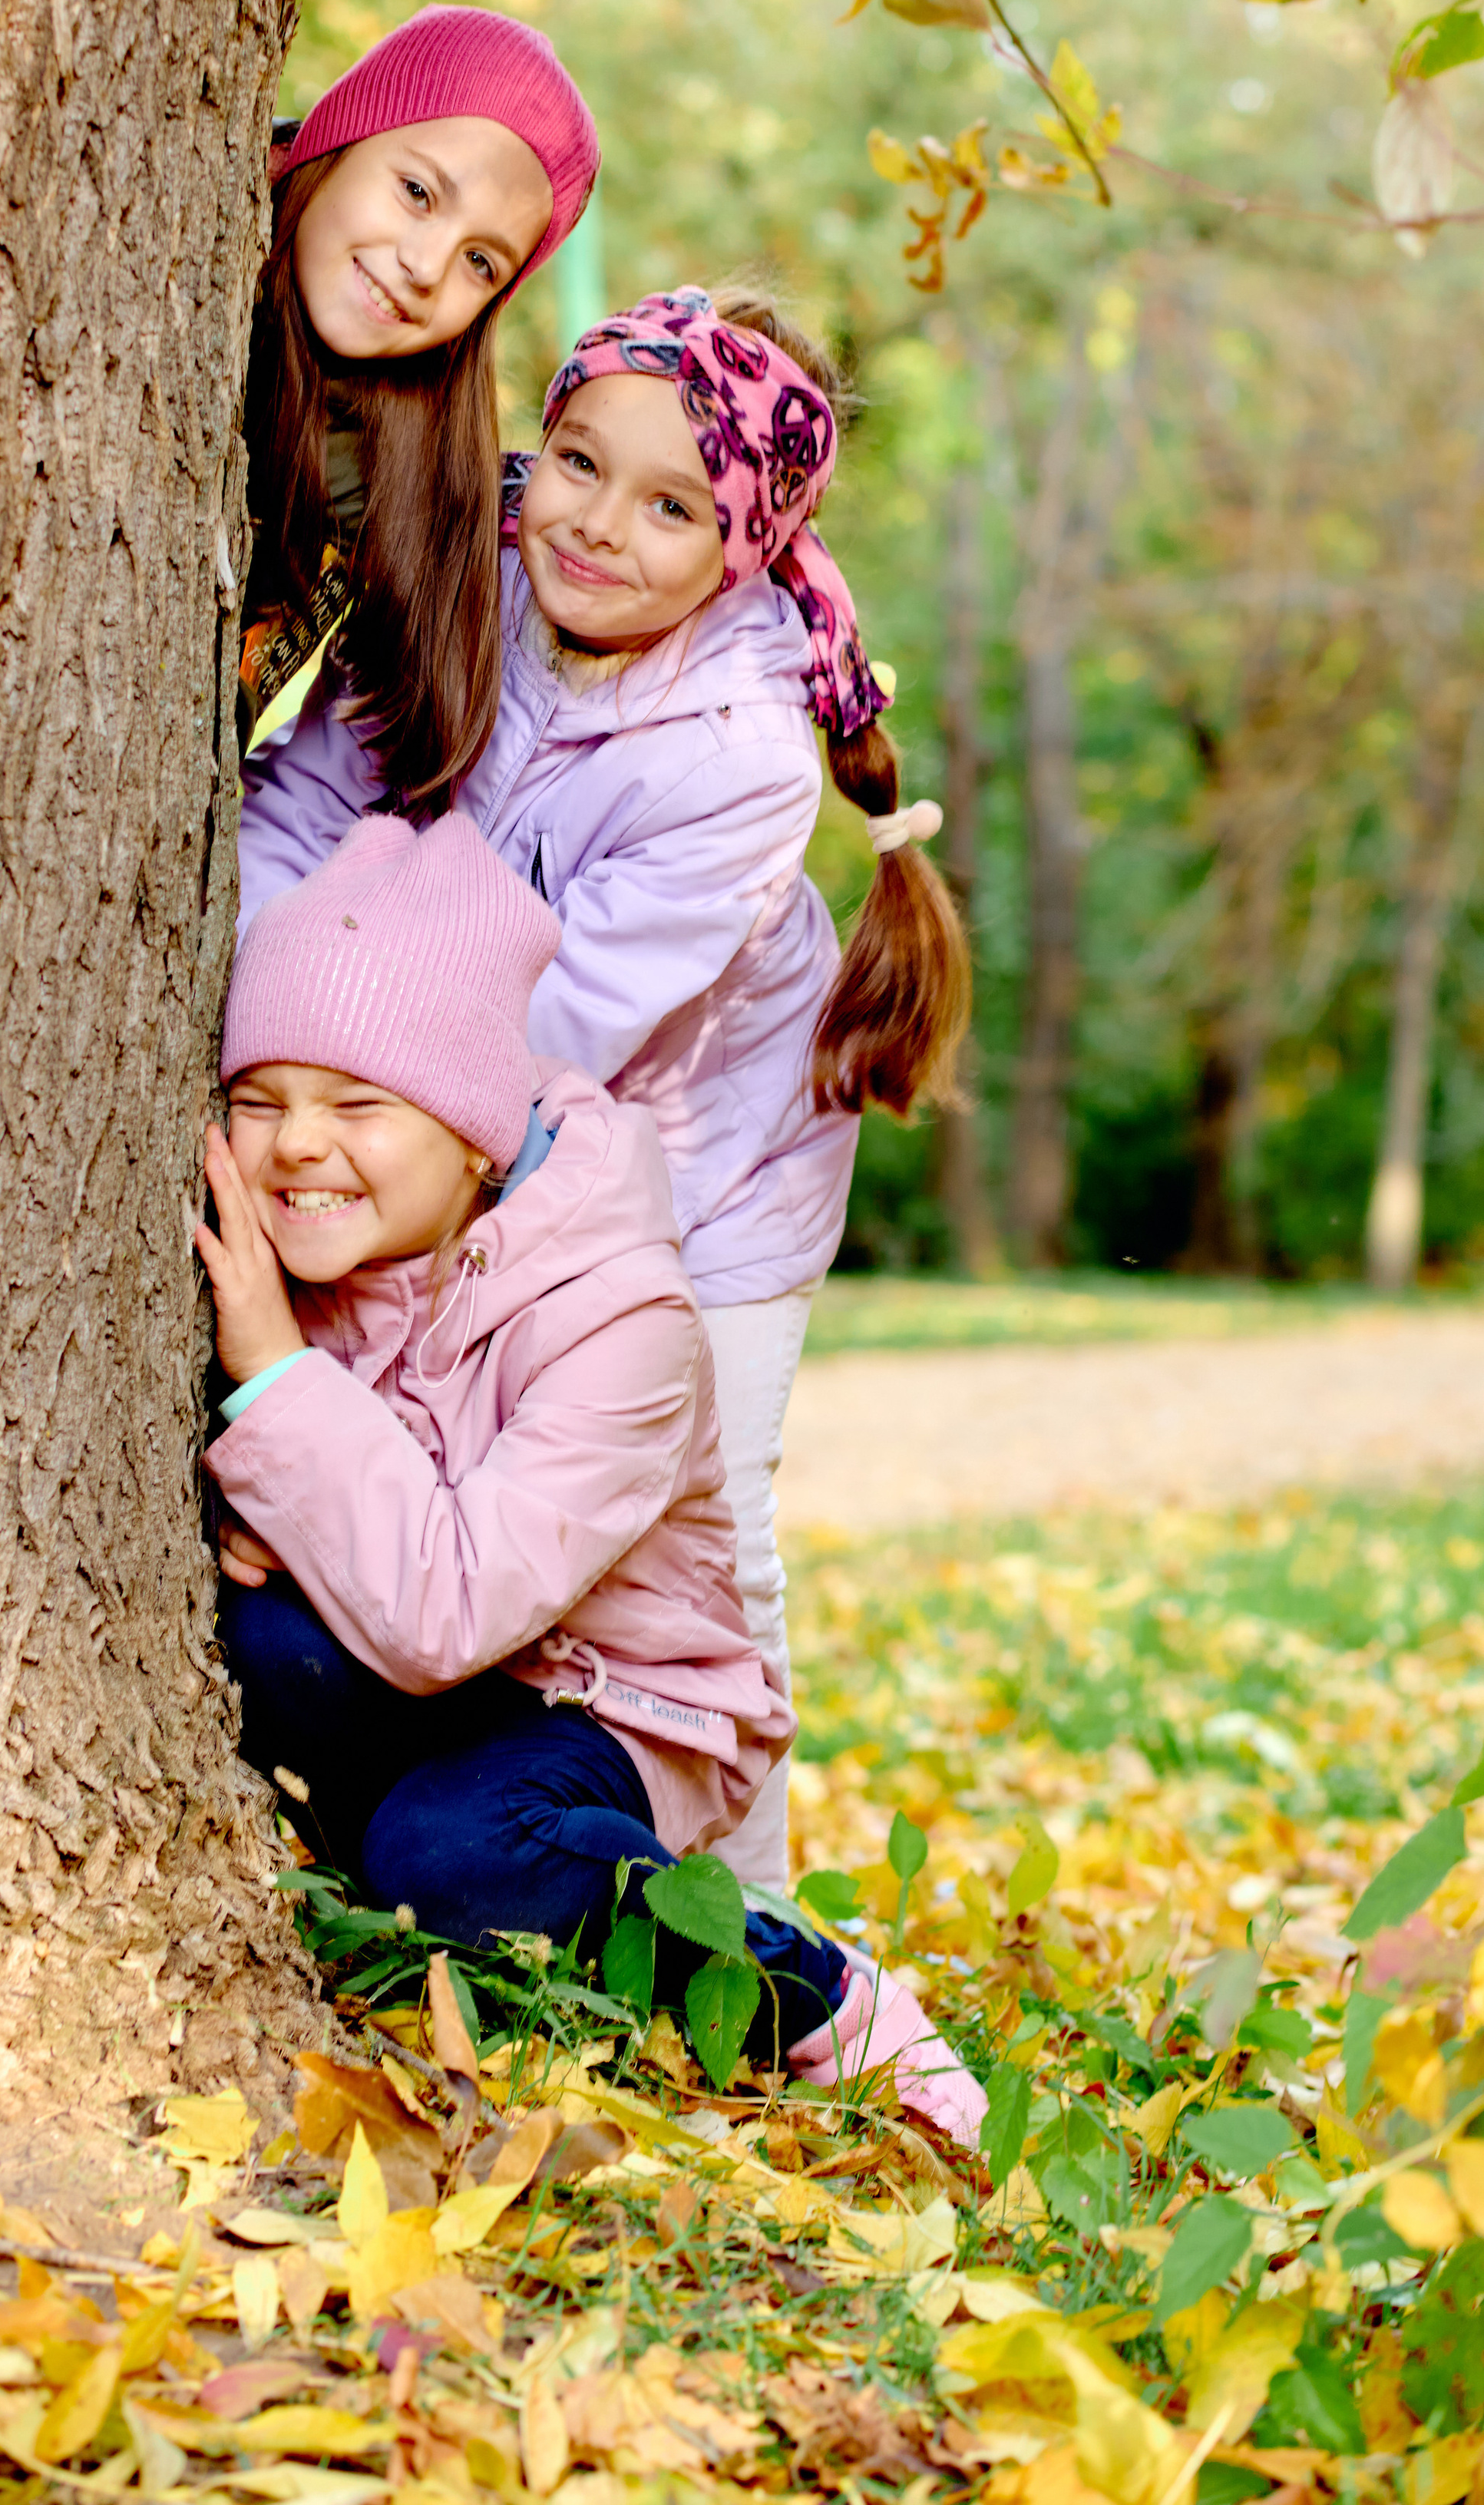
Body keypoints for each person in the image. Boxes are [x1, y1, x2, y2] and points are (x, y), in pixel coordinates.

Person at [236, 289, 970, 1894]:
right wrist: (262, 1017)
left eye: (672, 507)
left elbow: (563, 1020)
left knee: (706, 1521)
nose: (596, 527)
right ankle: (491, 1794)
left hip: (702, 1175)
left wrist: (336, 1054)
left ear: (743, 551)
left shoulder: (739, 758)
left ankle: (738, 1887)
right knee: (456, 1465)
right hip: (467, 1129)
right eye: (575, 462)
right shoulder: (462, 576)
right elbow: (298, 812)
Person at [194, 811, 984, 2143]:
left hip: (606, 1702)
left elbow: (446, 1607)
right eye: (258, 1100)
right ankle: (417, 1904)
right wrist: (249, 1497)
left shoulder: (624, 1319)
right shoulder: (325, 1246)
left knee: (455, 1855)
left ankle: (813, 1994)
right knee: (267, 1640)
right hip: (440, 1673)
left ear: (474, 1135)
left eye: (357, 1104)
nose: (295, 1149)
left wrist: (277, 1383)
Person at [241, 5, 600, 805]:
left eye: (481, 261)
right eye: (416, 192)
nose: (425, 267)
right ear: (339, 138)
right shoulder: (171, 252)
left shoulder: (397, 487)